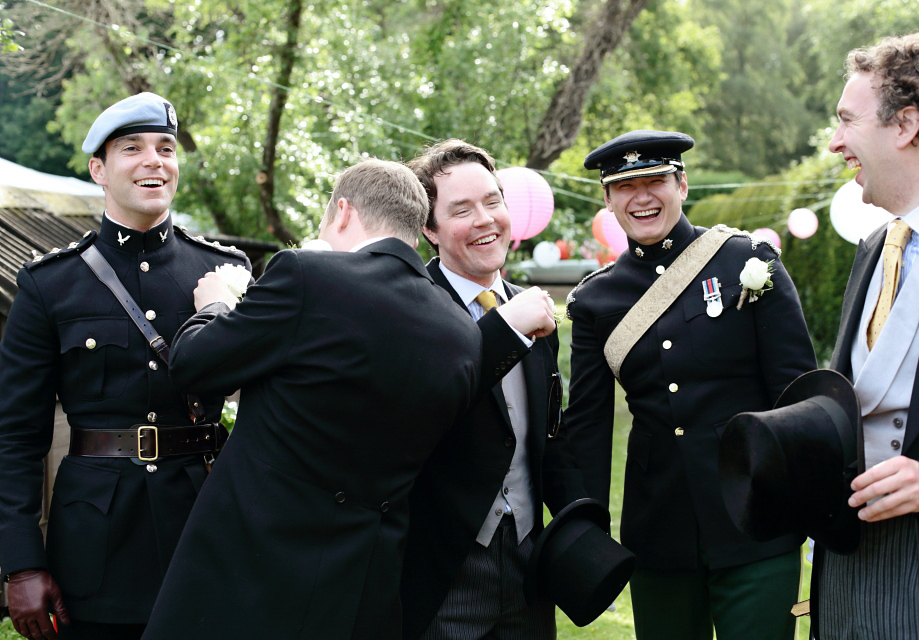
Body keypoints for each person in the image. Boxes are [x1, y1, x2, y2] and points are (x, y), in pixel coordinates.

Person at [141, 159, 524, 640]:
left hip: (252, 569)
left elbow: (193, 365)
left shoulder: (307, 276)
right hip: (362, 582)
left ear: (342, 212)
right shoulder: (460, 330)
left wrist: (216, 304)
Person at [0, 92, 251, 640]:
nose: (153, 160)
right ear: (99, 169)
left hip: (204, 526)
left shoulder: (224, 272)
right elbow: (17, 435)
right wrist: (21, 562)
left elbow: (260, 404)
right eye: (132, 148)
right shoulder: (50, 284)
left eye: (166, 148)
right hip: (98, 542)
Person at [563, 130, 818, 640]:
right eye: (625, 186)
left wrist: (811, 498)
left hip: (756, 519)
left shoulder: (746, 260)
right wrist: (585, 536)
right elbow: (587, 426)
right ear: (608, 200)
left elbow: (797, 392)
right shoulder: (594, 301)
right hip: (658, 529)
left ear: (682, 183)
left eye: (655, 179)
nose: (642, 197)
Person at [400, 139, 586, 640]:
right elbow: (426, 406)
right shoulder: (405, 309)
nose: (485, 219)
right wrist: (504, 329)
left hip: (529, 563)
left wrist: (581, 529)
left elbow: (549, 434)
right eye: (461, 209)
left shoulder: (535, 309)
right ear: (428, 229)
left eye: (493, 200)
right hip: (441, 570)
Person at [816, 32, 919, 638]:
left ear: (905, 124)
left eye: (847, 120)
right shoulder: (878, 246)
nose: (834, 142)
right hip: (850, 559)